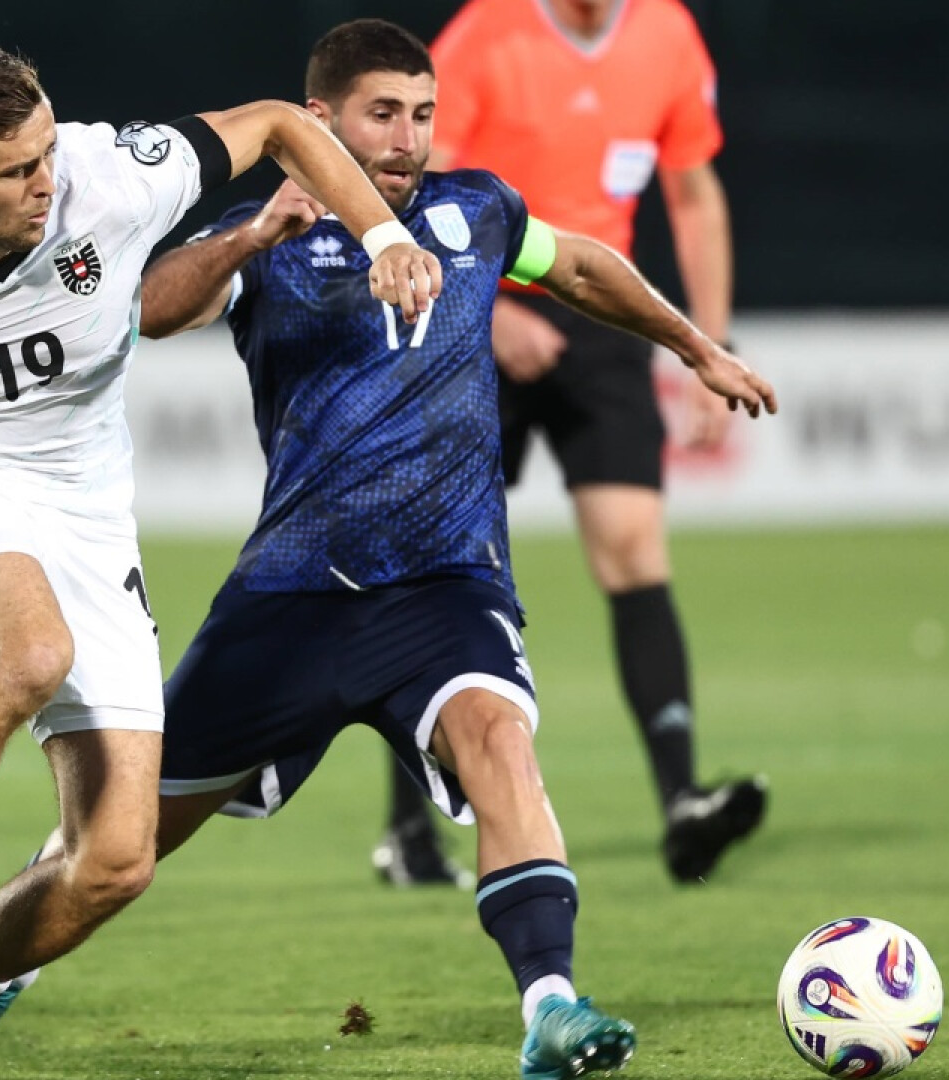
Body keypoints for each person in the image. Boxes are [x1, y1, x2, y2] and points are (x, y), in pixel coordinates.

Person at [0, 19, 780, 1079]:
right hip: (291, 598)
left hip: (445, 587)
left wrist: (696, 346)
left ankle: (551, 1006)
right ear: (318, 120)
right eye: (383, 114)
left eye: (423, 113)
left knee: (503, 745)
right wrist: (251, 235)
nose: (409, 137)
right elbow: (147, 310)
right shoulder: (273, 235)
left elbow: (581, 267)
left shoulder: (476, 211)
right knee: (115, 841)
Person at [0, 43, 442, 1079]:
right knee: (29, 655)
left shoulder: (110, 173)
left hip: (91, 512)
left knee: (113, 862)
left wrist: (384, 234)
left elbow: (282, 124)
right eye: (18, 170)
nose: (47, 180)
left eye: (47, 150)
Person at [365, 0, 767, 886]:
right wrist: (488, 308)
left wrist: (711, 340)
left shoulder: (665, 32)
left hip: (600, 311)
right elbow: (411, 186)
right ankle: (409, 832)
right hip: (476, 309)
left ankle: (683, 803)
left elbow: (694, 192)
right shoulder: (488, 35)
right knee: (435, 562)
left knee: (634, 549)